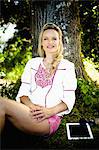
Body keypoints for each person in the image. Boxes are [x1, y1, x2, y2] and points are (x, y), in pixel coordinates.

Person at [0, 23, 77, 136]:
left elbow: (69, 99)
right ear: (41, 43)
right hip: (29, 111)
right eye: (45, 39)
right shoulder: (32, 63)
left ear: (59, 42)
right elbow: (23, 93)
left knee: (1, 103)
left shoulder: (68, 66)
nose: (50, 42)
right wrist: (31, 106)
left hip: (49, 119)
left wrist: (49, 112)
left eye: (54, 39)